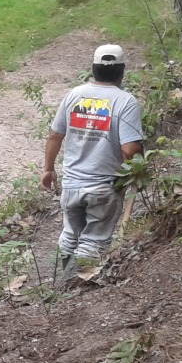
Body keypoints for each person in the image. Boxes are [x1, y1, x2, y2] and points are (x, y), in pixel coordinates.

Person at [41, 44, 144, 284]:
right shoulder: (125, 102)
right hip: (103, 186)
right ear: (122, 71)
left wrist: (48, 169)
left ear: (93, 69)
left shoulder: (74, 95)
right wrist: (136, 173)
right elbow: (130, 149)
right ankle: (74, 287)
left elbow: (55, 135)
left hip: (72, 184)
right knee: (93, 241)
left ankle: (61, 280)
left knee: (70, 233)